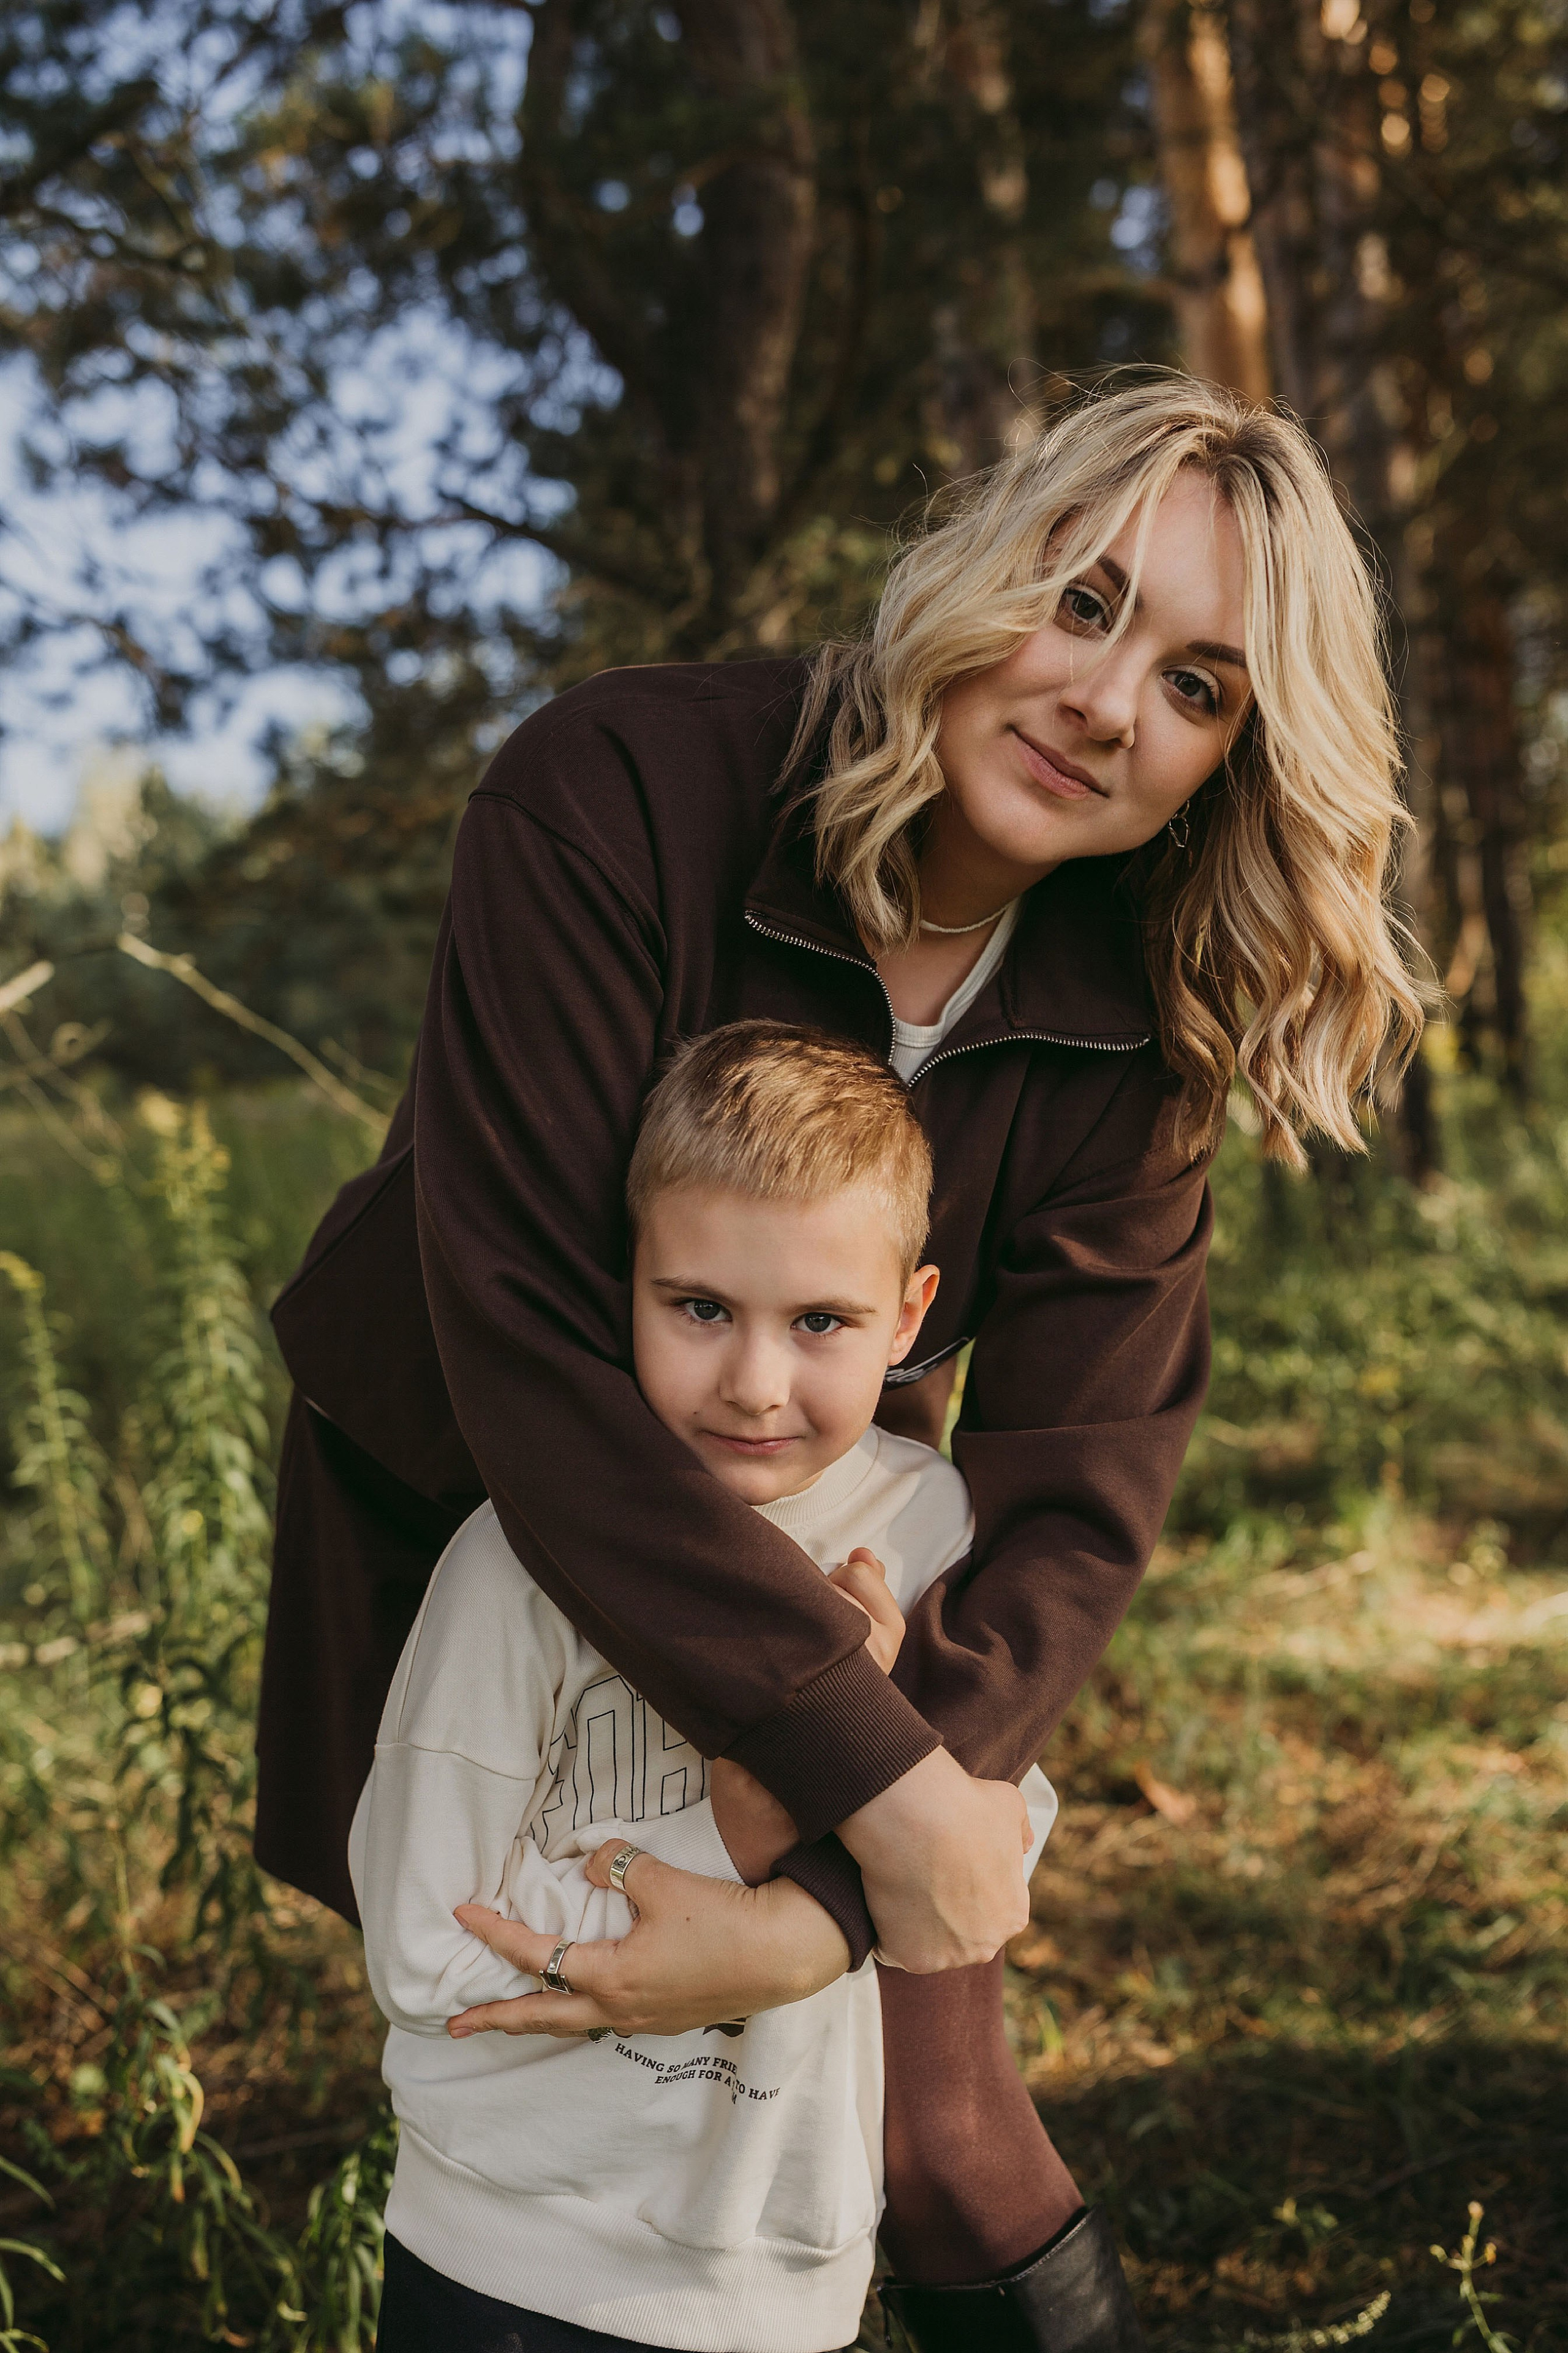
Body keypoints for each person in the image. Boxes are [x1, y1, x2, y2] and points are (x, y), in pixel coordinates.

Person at [257, 374, 1422, 2351]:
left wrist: (847, 1885)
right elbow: (536, 1356)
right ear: (987, 571)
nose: (1111, 700)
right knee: (528, 2061)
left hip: (815, 1532)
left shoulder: (1135, 1026)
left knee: (937, 2130)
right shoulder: (617, 790)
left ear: (1231, 758)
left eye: (1203, 688)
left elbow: (1075, 1486)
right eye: (1086, 602)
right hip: (490, 1510)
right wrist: (881, 1796)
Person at [353, 1024, 1062, 2353]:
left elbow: (992, 1844)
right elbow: (419, 1946)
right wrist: (735, 1830)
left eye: (818, 1322)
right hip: (507, 2255)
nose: (752, 1383)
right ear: (627, 1280)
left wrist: (884, 1776)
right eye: (698, 1308)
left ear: (908, 1314)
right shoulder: (522, 1553)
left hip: (778, 2263)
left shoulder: (925, 1534)